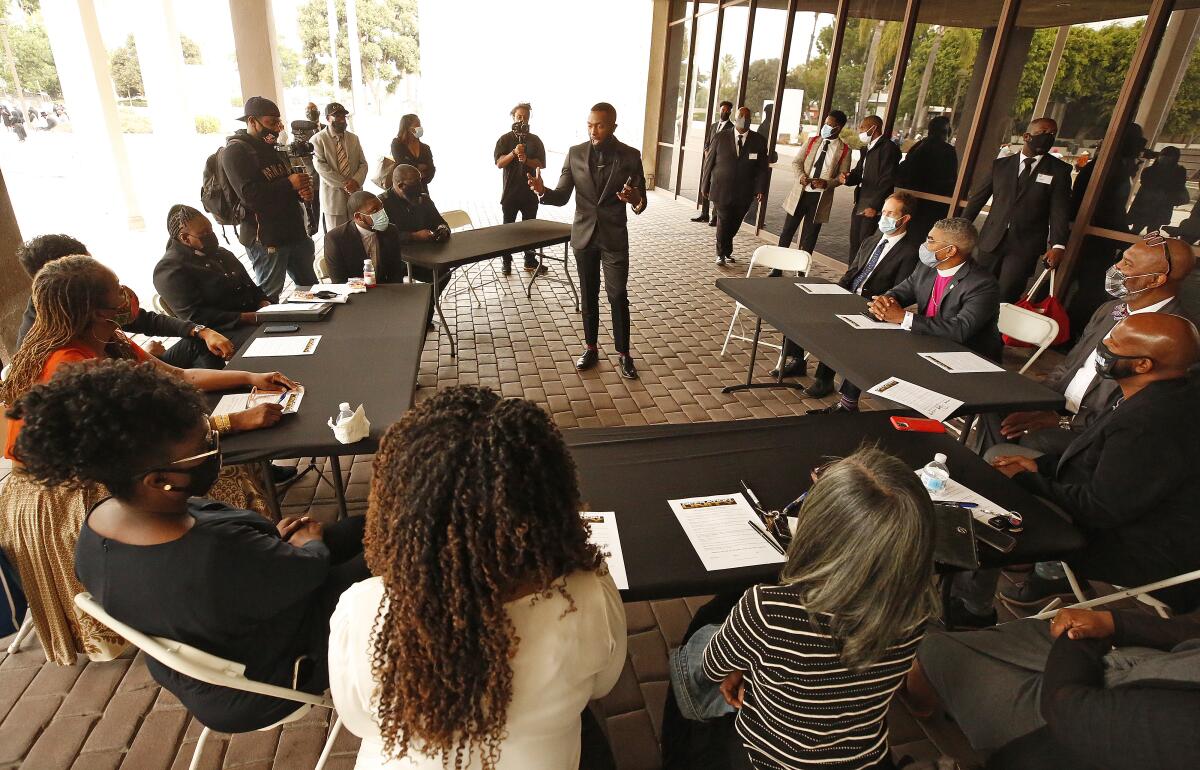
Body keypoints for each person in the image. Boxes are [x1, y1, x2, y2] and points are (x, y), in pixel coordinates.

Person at [9, 359, 368, 730]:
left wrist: (274, 543)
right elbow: (309, 569)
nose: (215, 447)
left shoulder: (100, 523)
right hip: (272, 678)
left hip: (218, 645)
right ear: (159, 480)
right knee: (386, 557)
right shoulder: (214, 554)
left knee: (360, 529)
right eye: (204, 446)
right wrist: (308, 545)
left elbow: (253, 568)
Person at [0, 256, 294, 664]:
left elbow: (176, 375)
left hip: (107, 458)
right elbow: (140, 438)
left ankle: (229, 573)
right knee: (215, 479)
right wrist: (233, 421)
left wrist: (248, 378)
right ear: (88, 310)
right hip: (62, 490)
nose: (125, 298)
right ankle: (211, 587)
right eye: (114, 293)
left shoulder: (109, 339)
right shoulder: (68, 364)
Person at [328, 385, 626, 769]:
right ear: (548, 502)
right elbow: (602, 686)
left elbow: (358, 720)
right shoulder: (589, 597)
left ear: (401, 506)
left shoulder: (363, 609)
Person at [667, 446, 937, 770]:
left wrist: (742, 666)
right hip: (865, 758)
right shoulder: (917, 610)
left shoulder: (767, 609)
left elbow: (712, 669)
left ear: (815, 528)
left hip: (769, 759)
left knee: (700, 638)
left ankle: (676, 751)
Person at [950, 313, 1200, 626]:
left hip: (1135, 548)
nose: (1102, 347)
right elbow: (1105, 468)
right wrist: (1039, 465)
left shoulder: (1149, 424)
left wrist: (1028, 480)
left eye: (1113, 344)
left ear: (1143, 364)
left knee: (998, 495)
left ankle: (972, 609)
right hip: (1121, 508)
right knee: (1003, 456)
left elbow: (1101, 509)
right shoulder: (1161, 392)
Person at [976, 234, 1194, 457]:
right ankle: (987, 474)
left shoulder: (1175, 336)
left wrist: (1060, 421)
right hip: (1059, 401)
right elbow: (1070, 363)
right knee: (992, 403)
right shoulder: (1110, 310)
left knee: (1035, 441)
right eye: (1121, 259)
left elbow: (1135, 410)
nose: (1116, 268)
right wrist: (1040, 399)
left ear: (1155, 280)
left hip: (1094, 426)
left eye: (1127, 264)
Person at [907, 607, 1200, 769]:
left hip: (1060, 732)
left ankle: (920, 711)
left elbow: (1070, 711)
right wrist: (1114, 621)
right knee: (1022, 632)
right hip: (1140, 664)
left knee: (937, 649)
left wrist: (1085, 639)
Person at [812, 217, 1001, 414]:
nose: (925, 245)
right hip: (927, 339)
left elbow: (961, 329)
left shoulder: (981, 284)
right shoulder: (927, 268)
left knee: (895, 364)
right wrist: (884, 301)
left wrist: (904, 318)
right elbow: (902, 291)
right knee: (866, 342)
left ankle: (907, 423)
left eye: (931, 240)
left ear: (951, 250)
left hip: (962, 355)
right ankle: (848, 405)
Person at [530, 102, 647, 380]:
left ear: (613, 126)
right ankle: (591, 348)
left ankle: (624, 354)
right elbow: (561, 196)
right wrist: (542, 191)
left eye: (600, 125)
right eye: (590, 124)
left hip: (614, 236)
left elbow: (640, 201)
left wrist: (634, 199)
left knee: (617, 295)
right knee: (588, 296)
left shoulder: (630, 155)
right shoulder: (575, 154)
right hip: (583, 237)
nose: (594, 130)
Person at [16, 233, 235, 370]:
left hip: (130, 373)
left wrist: (200, 330)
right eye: (87, 264)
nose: (124, 296)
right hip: (121, 393)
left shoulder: (89, 305)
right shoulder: (58, 355)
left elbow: (145, 320)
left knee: (198, 343)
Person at [793, 192, 922, 393]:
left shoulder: (910, 252)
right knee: (799, 307)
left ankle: (824, 380)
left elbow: (900, 291)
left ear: (904, 219)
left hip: (870, 305)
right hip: (847, 295)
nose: (884, 217)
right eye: (884, 212)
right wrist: (833, 292)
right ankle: (795, 360)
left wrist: (864, 305)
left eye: (891, 214)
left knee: (838, 329)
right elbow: (852, 272)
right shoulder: (871, 240)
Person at [962, 117, 1072, 303]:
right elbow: (977, 200)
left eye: (1052, 134)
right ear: (1027, 136)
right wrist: (961, 227)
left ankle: (996, 331)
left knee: (1007, 292)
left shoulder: (1060, 170)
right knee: (977, 287)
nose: (1048, 137)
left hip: (1025, 245)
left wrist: (1058, 245)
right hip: (991, 240)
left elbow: (1059, 211)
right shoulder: (1001, 166)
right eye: (1043, 132)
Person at [221, 96, 317, 301]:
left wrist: (301, 192)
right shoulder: (236, 151)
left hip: (294, 233)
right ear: (251, 121)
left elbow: (283, 185)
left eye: (278, 122)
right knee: (269, 295)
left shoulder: (274, 149)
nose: (276, 128)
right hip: (266, 239)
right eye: (270, 122)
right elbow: (250, 196)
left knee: (311, 291)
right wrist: (290, 183)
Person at [154, 205, 271, 336]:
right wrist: (248, 317)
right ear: (185, 238)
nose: (210, 236)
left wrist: (263, 302)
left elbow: (251, 287)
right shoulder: (170, 270)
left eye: (211, 230)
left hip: (254, 319)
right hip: (220, 334)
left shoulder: (221, 253)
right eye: (203, 233)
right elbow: (195, 318)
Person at [377, 166, 455, 311]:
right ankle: (419, 311)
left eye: (420, 182)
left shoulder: (423, 198)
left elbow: (440, 222)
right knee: (394, 290)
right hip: (394, 260)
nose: (419, 189)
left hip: (423, 256)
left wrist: (442, 230)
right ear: (400, 186)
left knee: (443, 272)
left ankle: (426, 308)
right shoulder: (381, 204)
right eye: (415, 185)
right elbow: (380, 237)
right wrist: (413, 236)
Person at [700, 106, 769, 266]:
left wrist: (760, 189)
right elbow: (708, 163)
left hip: (744, 191)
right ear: (736, 117)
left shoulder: (758, 141)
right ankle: (721, 254)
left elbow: (762, 169)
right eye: (741, 116)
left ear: (751, 119)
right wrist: (705, 185)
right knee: (723, 220)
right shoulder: (720, 137)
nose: (744, 119)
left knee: (735, 222)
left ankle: (726, 250)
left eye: (747, 116)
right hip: (720, 188)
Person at [777, 110, 851, 254]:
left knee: (809, 237)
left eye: (831, 124)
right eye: (826, 123)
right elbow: (797, 162)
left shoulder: (845, 150)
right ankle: (776, 268)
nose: (826, 126)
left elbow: (842, 177)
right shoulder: (812, 141)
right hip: (801, 193)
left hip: (820, 198)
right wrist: (801, 176)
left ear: (839, 127)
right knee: (787, 231)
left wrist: (827, 184)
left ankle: (801, 271)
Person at [494, 102, 547, 274]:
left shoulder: (535, 140)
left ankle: (530, 261)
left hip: (530, 194)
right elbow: (499, 163)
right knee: (507, 230)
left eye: (525, 116)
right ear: (513, 117)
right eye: (519, 116)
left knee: (530, 230)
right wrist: (513, 153)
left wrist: (526, 160)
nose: (522, 119)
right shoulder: (504, 139)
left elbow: (541, 163)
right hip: (510, 193)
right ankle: (506, 262)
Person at [895, 115, 957, 245]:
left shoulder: (918, 146)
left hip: (915, 201)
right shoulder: (947, 150)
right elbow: (951, 180)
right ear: (945, 132)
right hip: (933, 205)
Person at [845, 115, 902, 257]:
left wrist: (875, 206)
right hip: (861, 201)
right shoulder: (868, 148)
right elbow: (859, 172)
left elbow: (887, 180)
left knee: (866, 245)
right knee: (854, 243)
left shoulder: (888, 148)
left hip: (873, 205)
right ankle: (850, 277)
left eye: (863, 127)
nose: (860, 131)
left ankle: (861, 278)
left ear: (874, 128)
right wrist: (847, 178)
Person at [323, 190, 405, 284]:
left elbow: (396, 272)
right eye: (374, 210)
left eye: (381, 206)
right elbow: (339, 281)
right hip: (353, 292)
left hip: (385, 291)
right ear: (358, 217)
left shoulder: (390, 231)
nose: (382, 212)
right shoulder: (335, 239)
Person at [311, 102, 368, 232]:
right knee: (338, 237)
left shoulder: (354, 138)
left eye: (343, 116)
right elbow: (321, 168)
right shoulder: (317, 140)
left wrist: (356, 182)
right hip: (334, 200)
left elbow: (363, 164)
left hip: (355, 196)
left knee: (359, 234)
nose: (342, 119)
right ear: (327, 118)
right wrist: (346, 184)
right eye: (337, 116)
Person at [1128, 146, 1189, 234]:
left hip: (1155, 205)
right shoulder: (1151, 171)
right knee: (1144, 230)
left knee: (1148, 231)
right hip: (1151, 205)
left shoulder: (1178, 171)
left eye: (1169, 156)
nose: (1165, 158)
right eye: (1164, 155)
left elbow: (1178, 185)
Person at [692, 100, 734, 226]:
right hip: (708, 162)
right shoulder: (713, 126)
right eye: (723, 109)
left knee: (716, 188)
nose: (724, 112)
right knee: (705, 185)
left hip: (719, 164)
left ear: (730, 112)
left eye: (727, 110)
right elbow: (707, 141)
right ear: (719, 110)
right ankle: (704, 214)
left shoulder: (731, 128)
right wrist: (706, 151)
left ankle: (715, 217)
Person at [390, 113, 435, 188]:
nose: (420, 127)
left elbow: (431, 169)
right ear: (408, 128)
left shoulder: (425, 148)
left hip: (422, 188)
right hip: (402, 189)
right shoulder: (397, 144)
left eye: (420, 125)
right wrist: (420, 167)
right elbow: (402, 165)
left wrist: (415, 172)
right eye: (417, 125)